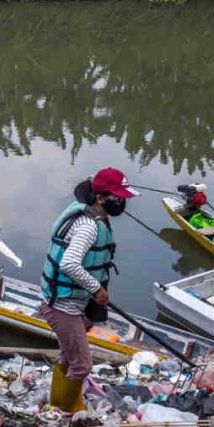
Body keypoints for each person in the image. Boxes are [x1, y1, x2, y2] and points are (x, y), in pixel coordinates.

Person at [40, 168, 137, 413]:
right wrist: (97, 289)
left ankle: (59, 404)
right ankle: (64, 412)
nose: (121, 202)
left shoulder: (92, 215)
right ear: (101, 198)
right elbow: (69, 263)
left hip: (71, 302)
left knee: (68, 356)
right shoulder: (88, 226)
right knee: (82, 365)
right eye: (117, 197)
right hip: (62, 305)